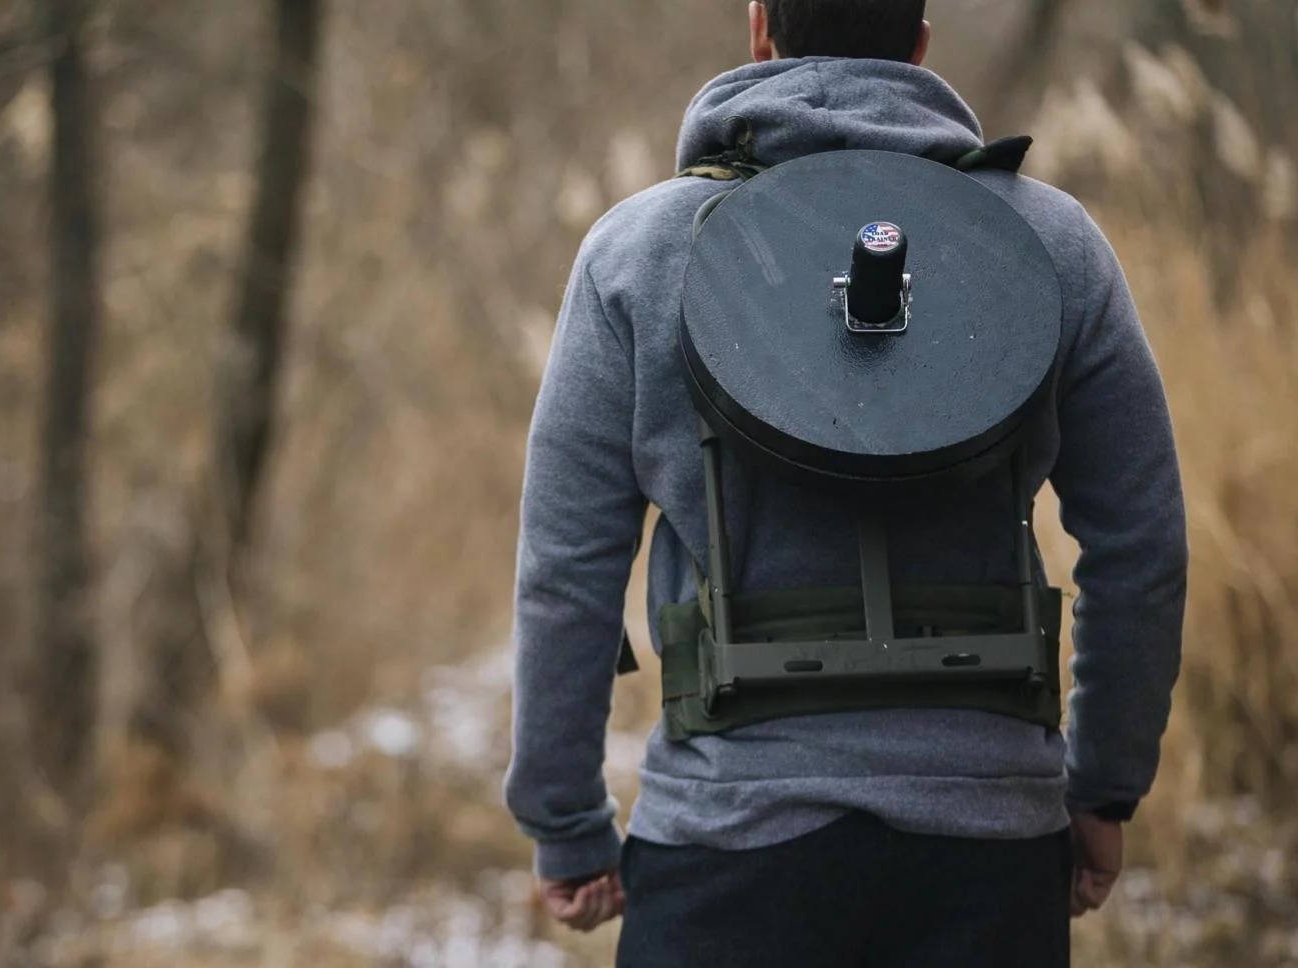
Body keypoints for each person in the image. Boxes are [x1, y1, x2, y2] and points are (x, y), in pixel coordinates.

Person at [503, 1, 1188, 966]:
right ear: (920, 42)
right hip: (989, 851)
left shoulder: (638, 253)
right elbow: (1143, 545)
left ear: (760, 28)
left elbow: (566, 565)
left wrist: (566, 824)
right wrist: (1103, 789)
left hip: (724, 849)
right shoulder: (1052, 242)